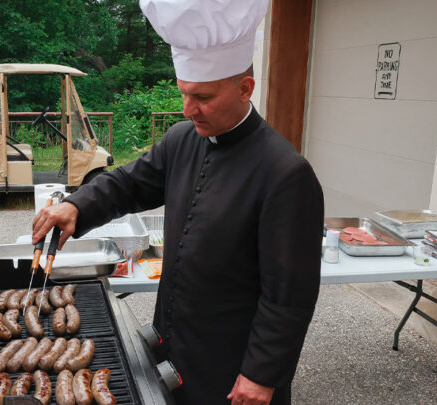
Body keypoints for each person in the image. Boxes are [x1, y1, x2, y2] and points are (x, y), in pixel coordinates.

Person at [32, 1, 324, 403]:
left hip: (232, 362)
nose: (189, 109)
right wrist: (77, 206)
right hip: (173, 342)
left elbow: (289, 295)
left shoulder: (285, 173)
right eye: (184, 93)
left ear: (245, 88)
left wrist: (261, 374)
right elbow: (127, 183)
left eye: (202, 96)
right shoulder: (182, 139)